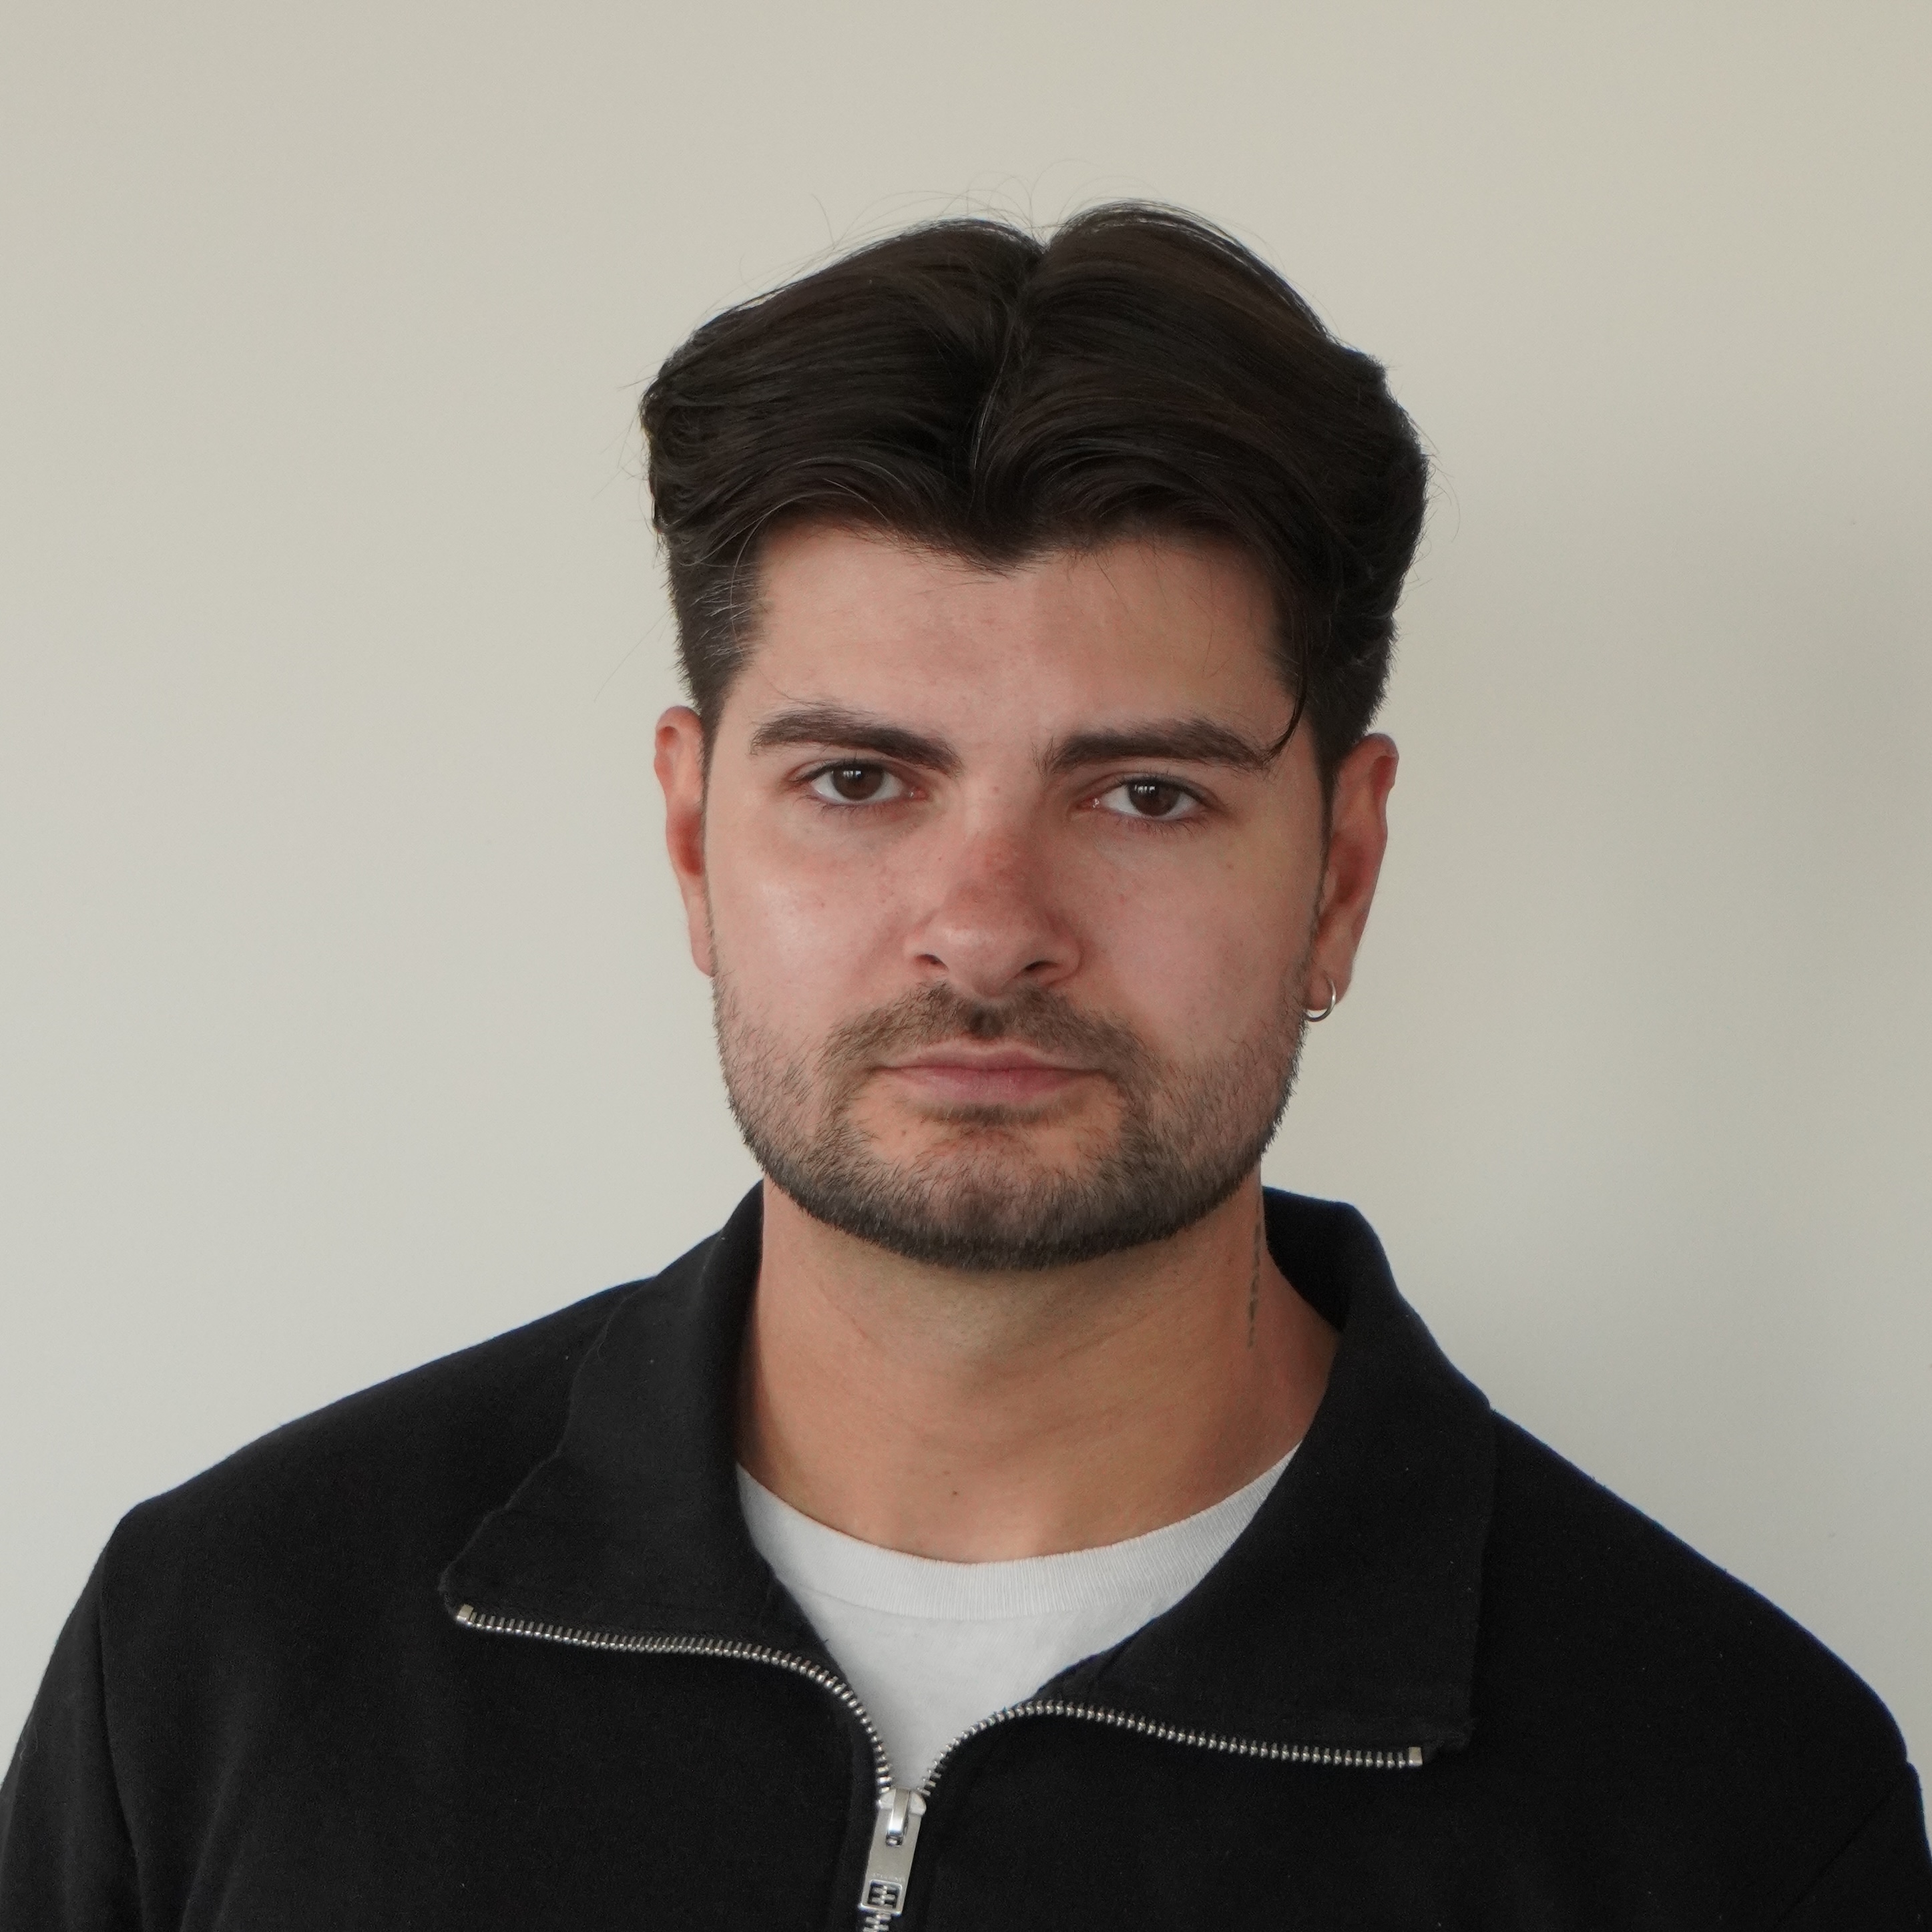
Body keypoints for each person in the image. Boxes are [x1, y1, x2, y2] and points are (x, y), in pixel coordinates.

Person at [3, 204, 1927, 1931]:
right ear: (691, 840)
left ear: (1341, 874)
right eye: (860, 780)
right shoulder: (221, 1656)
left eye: (1146, 794)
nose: (989, 927)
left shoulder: (1739, 1816)